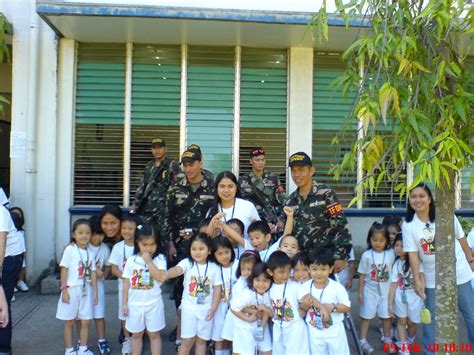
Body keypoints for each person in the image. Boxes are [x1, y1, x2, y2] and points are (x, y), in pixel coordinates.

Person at [402, 183, 474, 354]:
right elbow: (413, 255)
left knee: (471, 314)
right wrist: (418, 279)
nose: (417, 200)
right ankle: (431, 352)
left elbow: (462, 239)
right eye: (413, 196)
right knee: (431, 320)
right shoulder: (408, 225)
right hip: (431, 278)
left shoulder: (445, 214)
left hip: (459, 273)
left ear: (429, 199)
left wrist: (470, 260)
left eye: (422, 196)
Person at [284, 152, 352, 272]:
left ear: (311, 170)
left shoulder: (326, 194)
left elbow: (341, 225)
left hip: (325, 259)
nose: (297, 175)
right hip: (302, 264)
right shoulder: (290, 201)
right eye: (293, 171)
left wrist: (340, 256)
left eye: (301, 170)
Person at [162, 234, 222, 355]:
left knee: (201, 342)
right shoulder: (187, 263)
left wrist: (213, 309)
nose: (197, 252)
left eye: (201, 249)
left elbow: (217, 290)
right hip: (189, 309)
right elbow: (177, 270)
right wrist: (167, 274)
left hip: (206, 310)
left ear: (209, 250)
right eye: (194, 249)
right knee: (187, 341)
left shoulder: (214, 267)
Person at [163, 148, 215, 262]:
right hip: (179, 245)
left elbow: (215, 216)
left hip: (204, 244)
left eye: (191, 165)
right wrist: (170, 243)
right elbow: (168, 216)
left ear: (200, 163)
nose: (188, 169)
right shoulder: (175, 187)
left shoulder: (212, 187)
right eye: (185, 166)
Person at [122, 223, 167, 355]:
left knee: (154, 334)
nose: (149, 248)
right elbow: (126, 283)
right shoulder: (131, 261)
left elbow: (159, 277)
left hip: (153, 304)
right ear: (138, 243)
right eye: (145, 244)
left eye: (152, 244)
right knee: (136, 335)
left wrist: (149, 262)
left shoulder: (159, 259)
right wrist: (124, 303)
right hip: (134, 304)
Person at [56, 219, 98, 355]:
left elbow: (92, 274)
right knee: (70, 321)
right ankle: (69, 350)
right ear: (74, 234)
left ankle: (83, 348)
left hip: (86, 291)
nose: (84, 236)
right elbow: (64, 270)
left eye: (87, 233)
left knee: (85, 321)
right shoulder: (70, 250)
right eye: (80, 232)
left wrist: (95, 293)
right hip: (72, 289)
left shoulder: (90, 253)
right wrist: (64, 290)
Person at [131, 138, 181, 244]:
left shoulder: (172, 164)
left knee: (163, 238)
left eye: (160, 147)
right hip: (148, 209)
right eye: (154, 148)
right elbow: (142, 186)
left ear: (165, 149)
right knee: (147, 236)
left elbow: (178, 187)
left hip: (164, 209)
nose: (157, 151)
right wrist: (135, 204)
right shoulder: (149, 165)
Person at [301, 249, 351, 354]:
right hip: (314, 331)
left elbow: (347, 306)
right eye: (314, 269)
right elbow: (302, 305)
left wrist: (333, 307)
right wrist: (306, 306)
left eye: (323, 269)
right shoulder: (304, 287)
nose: (319, 273)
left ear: (331, 269)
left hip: (334, 331)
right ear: (308, 269)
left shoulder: (337, 287)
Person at [357, 222, 395, 353]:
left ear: (387, 241)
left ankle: (387, 338)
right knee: (366, 316)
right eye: (374, 240)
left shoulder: (391, 254)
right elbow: (362, 275)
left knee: (386, 317)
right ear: (369, 240)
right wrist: (360, 292)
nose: (377, 243)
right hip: (369, 292)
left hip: (386, 293)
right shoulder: (366, 255)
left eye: (381, 240)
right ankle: (362, 339)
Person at [267, 251, 309, 354]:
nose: (286, 275)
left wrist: (305, 308)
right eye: (281, 272)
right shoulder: (268, 289)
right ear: (270, 272)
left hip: (295, 328)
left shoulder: (295, 286)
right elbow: (272, 312)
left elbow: (309, 299)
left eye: (288, 271)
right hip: (278, 328)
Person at [238, 147, 286, 235]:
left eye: (263, 160)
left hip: (271, 221)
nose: (261, 162)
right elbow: (238, 203)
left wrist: (281, 221)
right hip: (252, 222)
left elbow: (283, 201)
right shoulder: (242, 180)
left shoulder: (273, 178)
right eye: (257, 160)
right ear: (250, 161)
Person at [388, 234, 423, 355]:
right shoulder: (396, 264)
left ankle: (410, 339)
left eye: (402, 246)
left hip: (415, 297)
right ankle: (403, 346)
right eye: (396, 245)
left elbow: (421, 276)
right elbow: (393, 284)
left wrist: (422, 290)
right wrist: (390, 303)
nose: (398, 248)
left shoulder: (415, 262)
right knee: (401, 321)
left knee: (412, 323)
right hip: (400, 297)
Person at [108, 213, 137, 354]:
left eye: (131, 228)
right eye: (124, 228)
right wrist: (127, 278)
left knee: (137, 313)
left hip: (139, 288)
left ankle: (137, 338)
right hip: (124, 287)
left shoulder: (141, 246)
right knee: (124, 314)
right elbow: (113, 269)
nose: (127, 231)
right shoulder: (118, 247)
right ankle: (127, 340)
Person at [229, 262, 273, 355]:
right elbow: (233, 308)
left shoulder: (268, 294)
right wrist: (248, 319)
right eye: (257, 280)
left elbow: (267, 313)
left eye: (265, 281)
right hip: (244, 328)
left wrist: (262, 326)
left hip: (259, 327)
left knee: (267, 351)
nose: (261, 284)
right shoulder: (247, 294)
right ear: (252, 280)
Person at [221, 250, 261, 343]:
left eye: (249, 269)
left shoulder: (257, 281)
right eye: (243, 269)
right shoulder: (240, 284)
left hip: (252, 317)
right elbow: (238, 307)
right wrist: (256, 311)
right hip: (239, 317)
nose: (245, 272)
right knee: (239, 343)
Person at [0, 198, 23, 354]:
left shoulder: (0, 212)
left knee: (2, 303)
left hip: (9, 259)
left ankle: (3, 348)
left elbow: (1, 242)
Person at [208, 171, 260, 239]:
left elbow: (260, 232)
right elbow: (206, 239)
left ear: (236, 187)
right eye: (222, 186)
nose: (226, 190)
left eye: (230, 186)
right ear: (216, 188)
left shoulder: (248, 206)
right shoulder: (211, 211)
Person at [86, 215, 111, 354]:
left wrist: (104, 275)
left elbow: (107, 266)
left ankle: (102, 339)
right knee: (84, 316)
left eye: (100, 235)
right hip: (84, 286)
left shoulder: (105, 249)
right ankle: (82, 341)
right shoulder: (83, 247)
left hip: (98, 286)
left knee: (99, 314)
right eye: (94, 234)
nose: (97, 238)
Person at [210, 237, 238, 355]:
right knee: (219, 335)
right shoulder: (213, 267)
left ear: (232, 251)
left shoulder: (238, 264)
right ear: (214, 254)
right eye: (220, 253)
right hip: (220, 306)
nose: (224, 256)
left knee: (232, 335)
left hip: (236, 307)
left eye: (227, 252)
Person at [9, 207, 28, 293]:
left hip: (18, 254)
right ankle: (10, 287)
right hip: (9, 255)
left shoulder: (21, 232)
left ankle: (19, 281)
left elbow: (22, 246)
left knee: (22, 266)